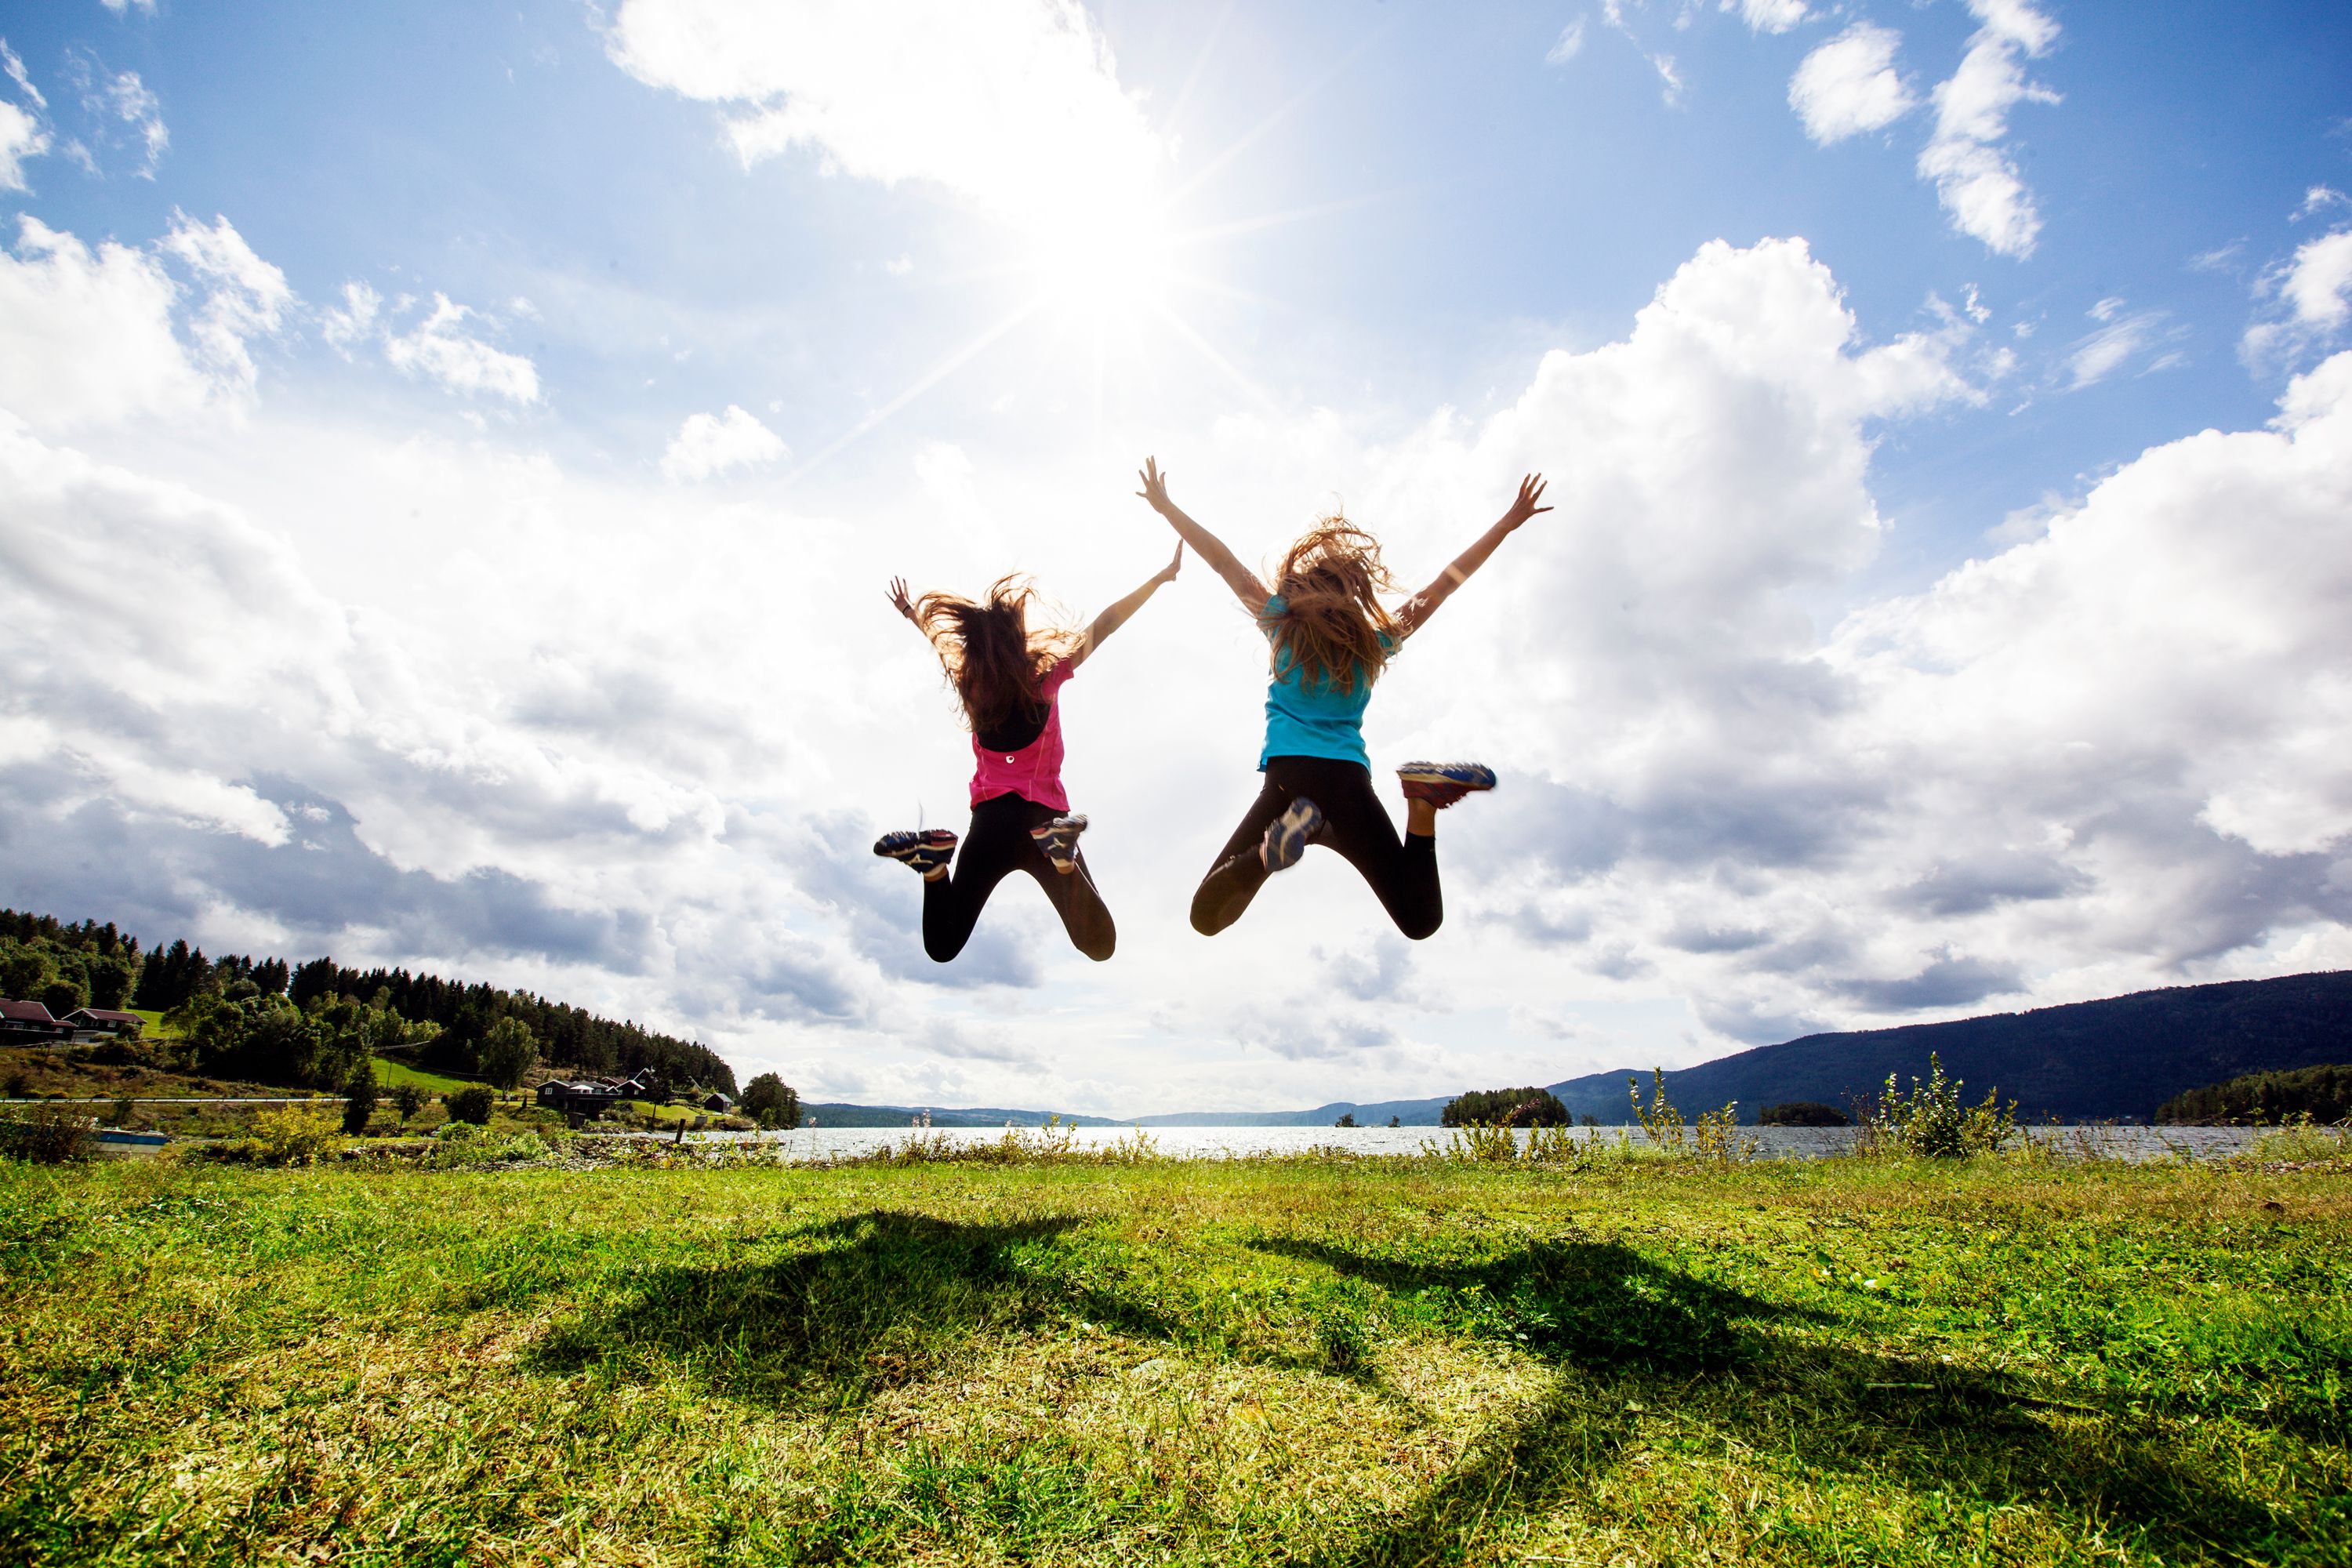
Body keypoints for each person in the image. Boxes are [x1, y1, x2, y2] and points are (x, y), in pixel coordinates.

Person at [1134, 456, 1549, 938]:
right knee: (1419, 919)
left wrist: (1168, 508)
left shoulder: (1281, 627)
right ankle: (1420, 801)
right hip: (1347, 783)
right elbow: (1444, 585)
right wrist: (1507, 523)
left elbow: (1223, 561)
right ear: (1354, 596)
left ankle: (1276, 848)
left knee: (1207, 916)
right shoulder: (1375, 643)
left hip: (1290, 781)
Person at [873, 544, 1183, 963]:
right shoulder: (1045, 680)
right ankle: (1062, 859)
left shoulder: (972, 689)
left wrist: (913, 614)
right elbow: (1106, 624)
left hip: (991, 826)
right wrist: (1159, 578)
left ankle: (933, 867)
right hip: (1044, 821)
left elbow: (942, 646)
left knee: (943, 945)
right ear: (1017, 643)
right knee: (1099, 943)